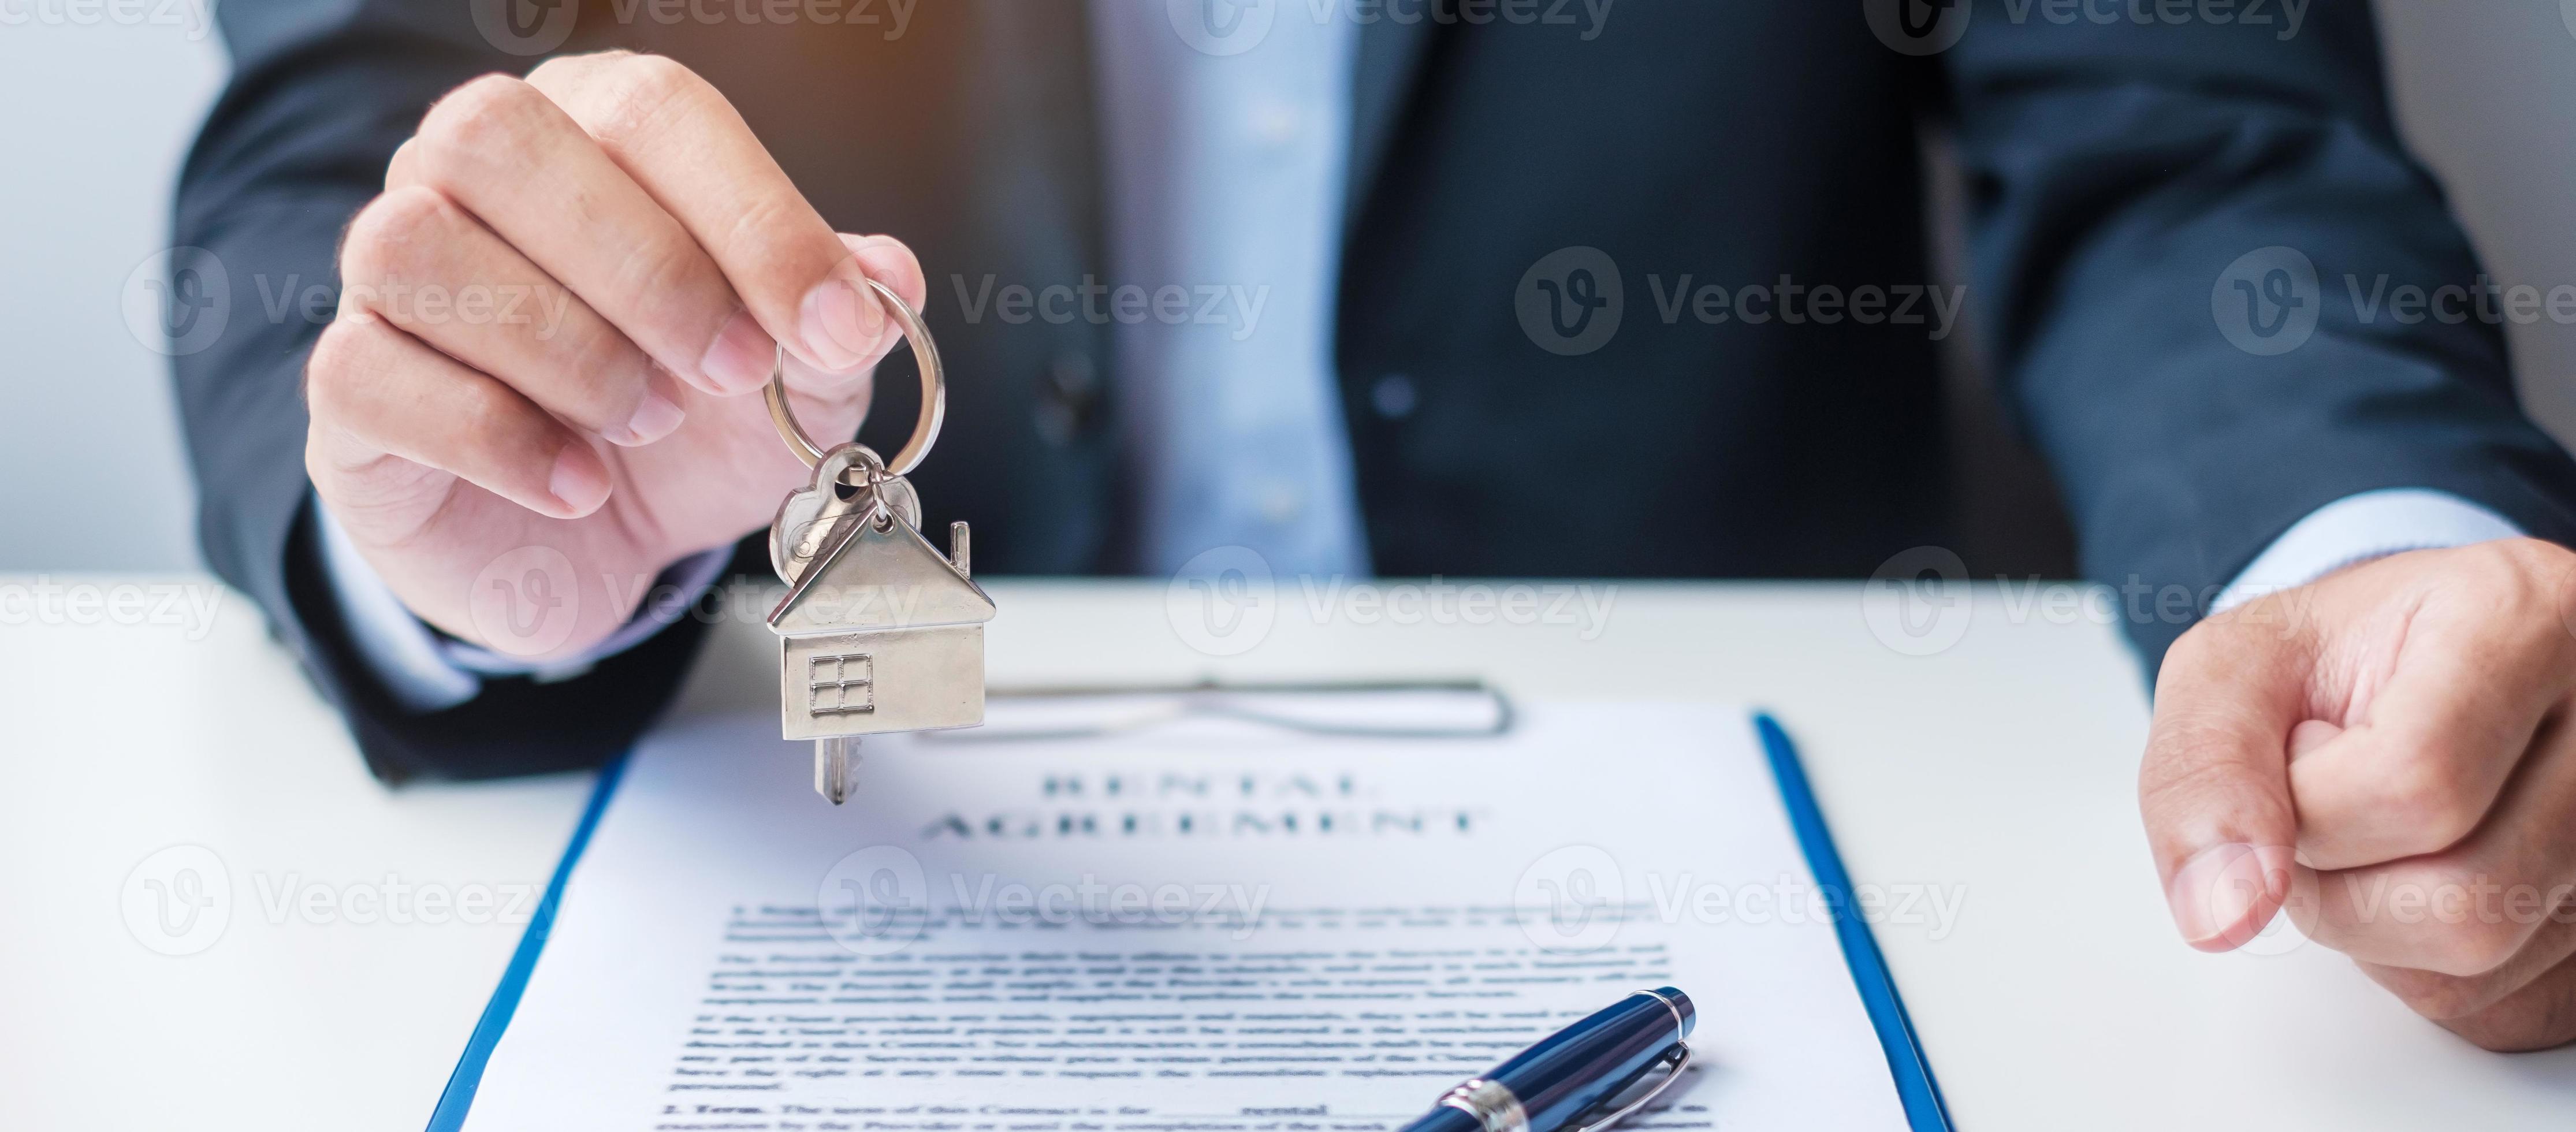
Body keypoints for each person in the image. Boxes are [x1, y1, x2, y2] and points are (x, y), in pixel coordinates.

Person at [170, 0, 2576, 1050]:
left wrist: (2352, 565)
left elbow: (2187, 142)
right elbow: (349, 128)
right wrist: (476, 469)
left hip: (1819, 814)